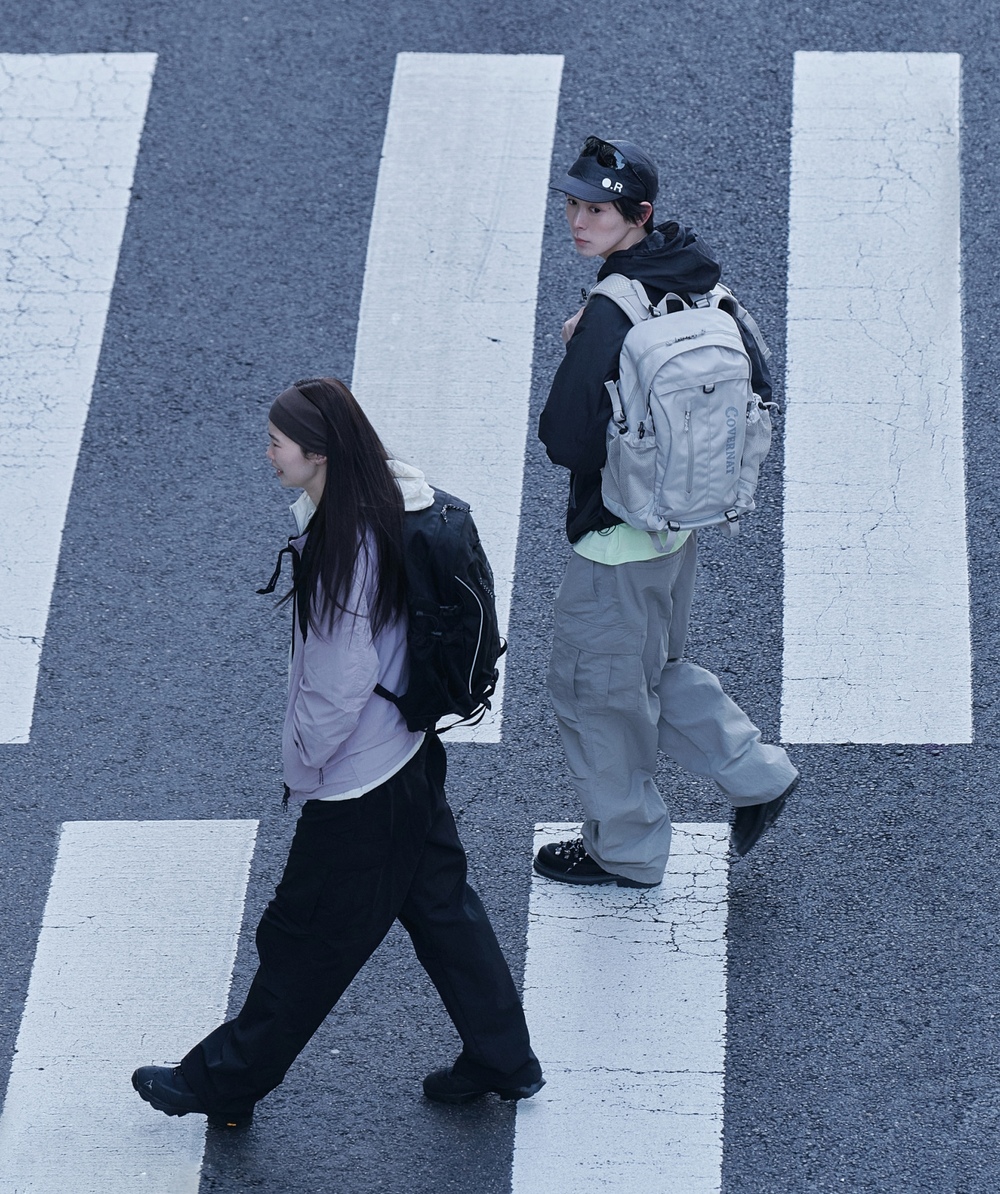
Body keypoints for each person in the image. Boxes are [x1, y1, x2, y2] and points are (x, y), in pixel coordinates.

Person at [133, 377, 543, 1128]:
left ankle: (225, 1081)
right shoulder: (388, 497)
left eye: (277, 443)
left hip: (361, 783)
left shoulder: (343, 548)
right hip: (410, 752)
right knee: (443, 912)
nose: (268, 454)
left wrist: (303, 765)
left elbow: (335, 685)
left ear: (318, 454)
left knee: (304, 939)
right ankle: (503, 1057)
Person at [535, 136, 799, 890]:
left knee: (596, 693)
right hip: (677, 520)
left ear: (639, 214)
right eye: (574, 205)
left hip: (614, 535)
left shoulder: (610, 310)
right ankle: (756, 774)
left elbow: (564, 439)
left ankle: (625, 849)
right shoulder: (698, 280)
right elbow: (757, 380)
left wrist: (582, 357)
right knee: (651, 669)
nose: (578, 221)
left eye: (598, 210)